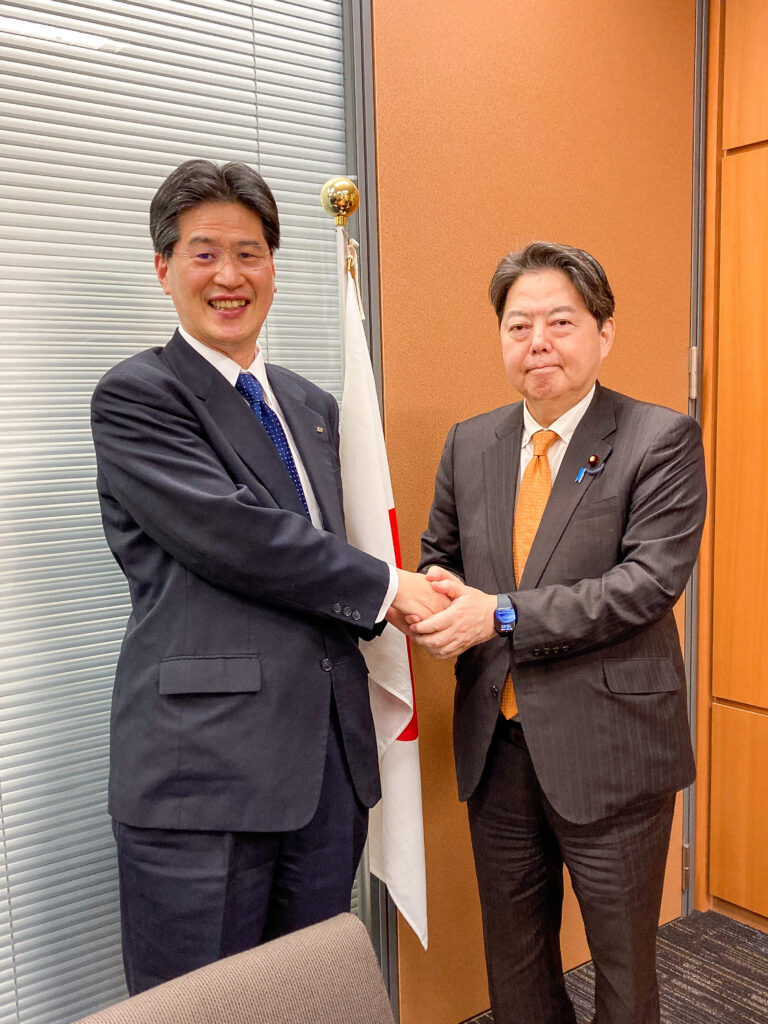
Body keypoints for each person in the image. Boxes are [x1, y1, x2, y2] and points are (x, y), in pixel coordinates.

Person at [90, 159, 444, 994]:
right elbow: (239, 537)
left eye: (249, 254)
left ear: (274, 269)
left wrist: (423, 580)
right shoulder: (139, 396)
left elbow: (342, 545)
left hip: (325, 771)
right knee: (200, 1007)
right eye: (205, 253)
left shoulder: (313, 406)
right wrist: (392, 589)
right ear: (164, 268)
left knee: (306, 996)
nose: (229, 276)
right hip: (203, 781)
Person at [410, 242, 706, 1024]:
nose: (537, 342)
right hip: (498, 748)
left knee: (623, 971)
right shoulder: (470, 443)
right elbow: (441, 554)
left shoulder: (659, 438)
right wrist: (434, 592)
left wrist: (499, 613)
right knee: (515, 967)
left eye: (560, 322)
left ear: (604, 333)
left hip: (612, 749)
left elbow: (646, 585)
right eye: (518, 326)